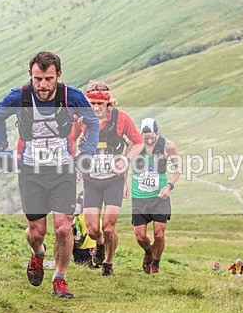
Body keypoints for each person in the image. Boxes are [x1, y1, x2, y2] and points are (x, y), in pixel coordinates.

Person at [0, 51, 99, 299]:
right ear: (31, 74)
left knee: (63, 228)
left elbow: (93, 123)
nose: (42, 85)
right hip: (30, 170)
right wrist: (1, 147)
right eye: (38, 78)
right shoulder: (20, 96)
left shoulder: (71, 96)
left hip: (63, 170)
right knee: (36, 232)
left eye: (48, 79)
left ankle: (59, 278)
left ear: (58, 75)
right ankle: (38, 254)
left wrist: (88, 152)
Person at [69, 80, 143, 276]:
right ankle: (100, 245)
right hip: (91, 180)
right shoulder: (81, 119)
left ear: (108, 103)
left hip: (114, 180)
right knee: (93, 230)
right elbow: (71, 139)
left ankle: (108, 262)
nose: (95, 108)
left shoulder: (122, 119)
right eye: (91, 104)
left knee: (109, 227)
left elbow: (138, 143)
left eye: (99, 104)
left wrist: (126, 160)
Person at [130, 118, 180, 274]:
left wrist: (169, 185)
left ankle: (155, 264)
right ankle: (148, 251)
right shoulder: (135, 145)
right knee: (140, 237)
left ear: (157, 132)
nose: (149, 141)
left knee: (159, 234)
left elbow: (178, 169)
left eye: (152, 137)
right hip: (139, 196)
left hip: (159, 197)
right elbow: (124, 163)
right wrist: (124, 185)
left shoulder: (168, 146)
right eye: (146, 138)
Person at [72, 191, 98, 267]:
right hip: (90, 248)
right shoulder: (95, 217)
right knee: (90, 266)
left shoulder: (75, 218)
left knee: (78, 265)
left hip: (77, 247)